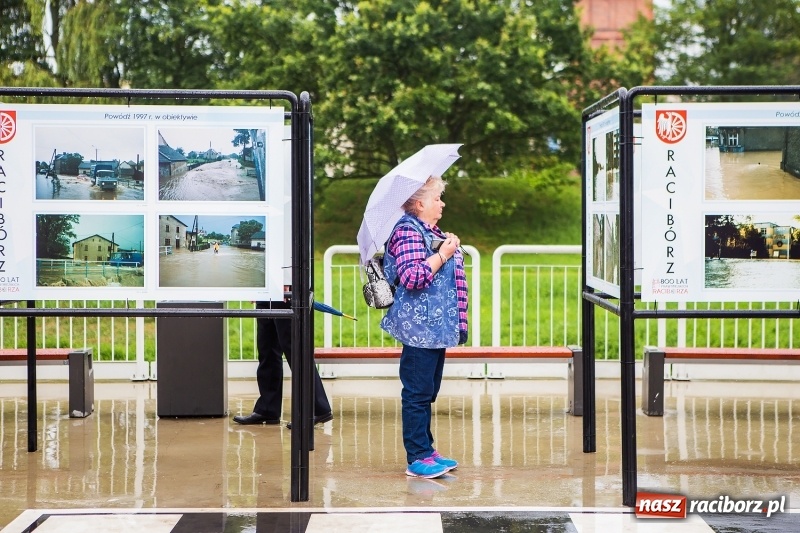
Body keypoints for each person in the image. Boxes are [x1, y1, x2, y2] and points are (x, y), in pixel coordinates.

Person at [380, 176, 468, 479]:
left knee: (427, 391)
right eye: (437, 198)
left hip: (434, 327)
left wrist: (446, 245)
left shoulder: (427, 231)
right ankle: (417, 457)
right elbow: (412, 276)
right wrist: (443, 254)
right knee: (417, 393)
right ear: (419, 204)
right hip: (419, 328)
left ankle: (427, 450)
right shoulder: (407, 231)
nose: (442, 204)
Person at [233, 291, 333, 427]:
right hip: (268, 290)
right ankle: (267, 409)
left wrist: (285, 281)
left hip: (286, 289)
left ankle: (317, 408)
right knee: (267, 348)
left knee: (294, 349)